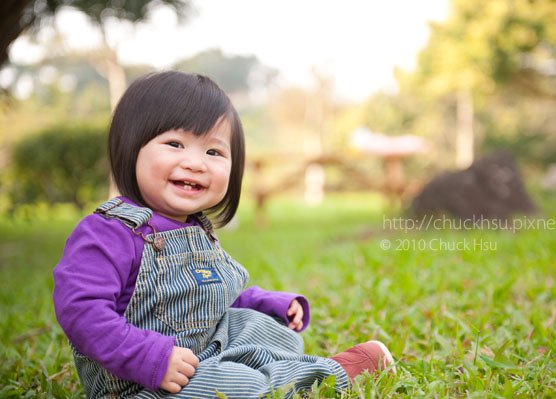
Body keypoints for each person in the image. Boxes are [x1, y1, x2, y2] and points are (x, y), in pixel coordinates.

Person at [53, 71, 394, 399]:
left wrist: (266, 305)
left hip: (204, 350)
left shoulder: (196, 229)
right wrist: (150, 357)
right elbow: (80, 311)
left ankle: (279, 369)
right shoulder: (108, 232)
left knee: (265, 330)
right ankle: (327, 375)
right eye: (175, 143)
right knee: (233, 385)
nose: (196, 163)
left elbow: (206, 301)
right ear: (131, 147)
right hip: (144, 384)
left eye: (213, 152)